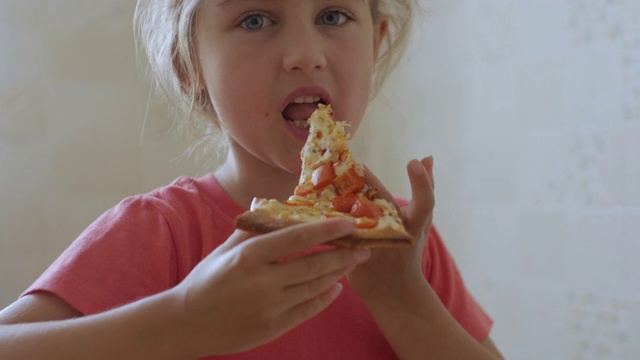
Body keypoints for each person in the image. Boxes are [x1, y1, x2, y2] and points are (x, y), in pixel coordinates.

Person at [0, 0, 504, 359]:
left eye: (333, 16)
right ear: (188, 65)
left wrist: (404, 298)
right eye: (255, 19)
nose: (305, 52)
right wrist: (180, 321)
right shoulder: (162, 233)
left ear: (375, 42)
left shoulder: (406, 242)